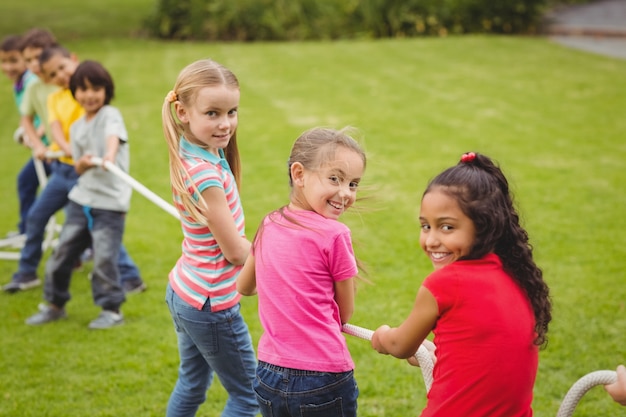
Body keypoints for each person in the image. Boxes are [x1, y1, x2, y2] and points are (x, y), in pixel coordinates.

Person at [371, 152, 552, 417]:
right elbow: (480, 351)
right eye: (425, 226)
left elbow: (400, 345)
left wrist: (384, 336)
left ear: (484, 226)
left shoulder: (444, 284)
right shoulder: (518, 277)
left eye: (446, 228)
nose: (431, 240)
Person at [237, 126, 366, 417]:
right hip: (322, 377)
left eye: (353, 184)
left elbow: (244, 286)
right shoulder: (336, 234)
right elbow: (345, 313)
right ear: (299, 174)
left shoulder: (269, 223)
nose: (345, 193)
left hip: (269, 374)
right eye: (335, 179)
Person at [3, 45, 146, 294]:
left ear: (73, 61)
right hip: (65, 171)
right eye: (52, 74)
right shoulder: (58, 98)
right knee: (39, 217)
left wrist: (106, 155)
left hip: (89, 175)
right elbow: (55, 127)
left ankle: (129, 277)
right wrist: (59, 147)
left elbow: (109, 130)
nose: (60, 75)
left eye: (62, 68)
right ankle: (27, 272)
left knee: (96, 228)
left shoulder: (89, 98)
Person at [162, 58, 258, 417]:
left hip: (184, 290)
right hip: (211, 304)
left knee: (191, 384)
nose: (225, 123)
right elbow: (235, 252)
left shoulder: (195, 151)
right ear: (183, 112)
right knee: (249, 396)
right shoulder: (205, 175)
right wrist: (279, 257)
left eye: (232, 111)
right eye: (213, 113)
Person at [25, 60, 132, 329]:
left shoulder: (110, 114)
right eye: (82, 89)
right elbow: (78, 165)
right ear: (74, 93)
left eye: (96, 88)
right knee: (62, 254)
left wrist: (107, 156)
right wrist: (82, 164)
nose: (89, 94)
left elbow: (112, 137)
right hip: (82, 199)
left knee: (105, 258)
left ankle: (111, 310)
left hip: (110, 204)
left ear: (106, 89)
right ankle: (54, 304)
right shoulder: (76, 127)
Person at [0, 34, 44, 240]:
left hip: (51, 147)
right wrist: (24, 131)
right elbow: (26, 114)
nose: (8, 67)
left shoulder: (33, 81)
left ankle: (84, 247)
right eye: (3, 61)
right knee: (25, 182)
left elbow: (49, 113)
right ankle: (27, 230)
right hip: (40, 149)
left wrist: (36, 135)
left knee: (70, 200)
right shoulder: (19, 84)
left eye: (13, 61)